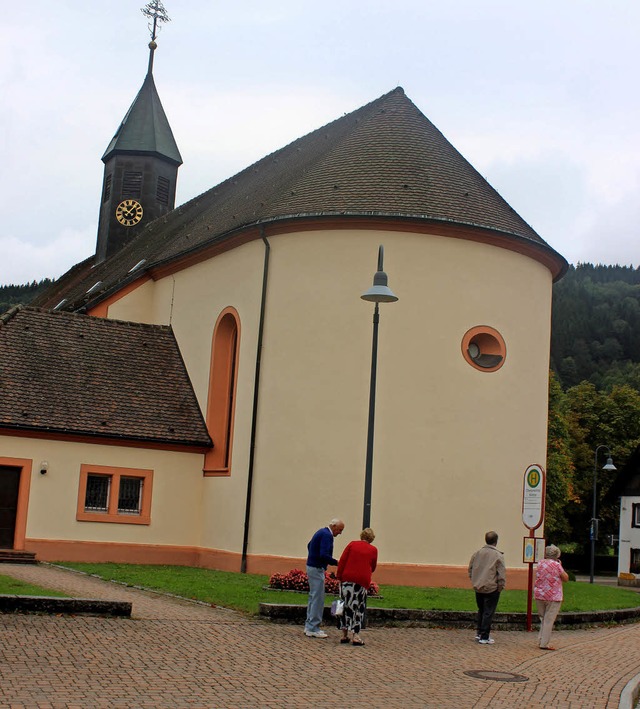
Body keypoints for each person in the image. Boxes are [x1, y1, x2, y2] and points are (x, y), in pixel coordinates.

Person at [337, 527, 378, 646]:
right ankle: (356, 635)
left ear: (361, 536)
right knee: (358, 606)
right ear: (371, 539)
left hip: (347, 579)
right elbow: (373, 566)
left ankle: (344, 634)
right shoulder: (373, 549)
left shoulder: (352, 544)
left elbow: (342, 561)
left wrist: (339, 577)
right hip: (362, 581)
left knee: (343, 604)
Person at [304, 518, 344, 638]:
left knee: (313, 596)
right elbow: (324, 555)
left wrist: (312, 555)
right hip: (316, 568)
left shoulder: (321, 532)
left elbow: (309, 545)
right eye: (340, 530)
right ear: (334, 527)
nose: (340, 533)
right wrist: (337, 563)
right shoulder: (327, 535)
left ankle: (309, 625)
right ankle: (313, 628)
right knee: (318, 598)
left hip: (311, 565)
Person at [468, 530, 506, 645]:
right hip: (491, 587)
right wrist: (500, 586)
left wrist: (474, 580)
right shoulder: (498, 555)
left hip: (478, 586)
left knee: (481, 610)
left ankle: (479, 633)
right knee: (488, 611)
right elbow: (501, 573)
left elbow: (470, 568)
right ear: (496, 541)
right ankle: (484, 636)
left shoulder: (477, 553)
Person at [534, 544, 569, 651]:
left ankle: (540, 639)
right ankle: (544, 643)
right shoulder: (557, 565)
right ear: (557, 555)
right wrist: (560, 566)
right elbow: (565, 578)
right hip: (553, 596)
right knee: (549, 620)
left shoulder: (540, 563)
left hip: (540, 594)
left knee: (543, 618)